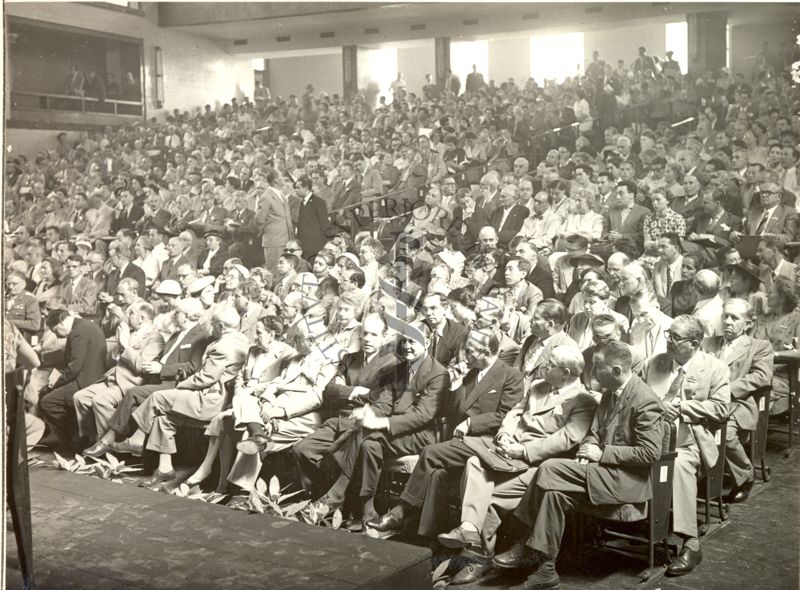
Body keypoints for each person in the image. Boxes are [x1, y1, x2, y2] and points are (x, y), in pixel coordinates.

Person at [490, 341, 663, 588]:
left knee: (549, 467)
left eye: (596, 367)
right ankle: (546, 571)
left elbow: (650, 453)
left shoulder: (645, 401)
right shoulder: (610, 392)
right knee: (553, 495)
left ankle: (522, 542)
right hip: (601, 472)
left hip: (626, 482)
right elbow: (594, 432)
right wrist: (587, 449)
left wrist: (601, 453)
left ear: (616, 370)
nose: (590, 372)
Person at [439, 344, 597, 584]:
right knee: (473, 461)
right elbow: (513, 413)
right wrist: (505, 435)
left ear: (565, 372)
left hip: (538, 464)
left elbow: (567, 438)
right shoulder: (537, 387)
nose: (543, 367)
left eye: (549, 364)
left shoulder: (584, 400)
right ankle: (469, 527)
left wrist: (523, 450)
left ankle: (479, 556)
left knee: (488, 498)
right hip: (507, 452)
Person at [364, 328, 524, 540]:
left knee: (430, 453)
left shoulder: (511, 375)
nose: (464, 355)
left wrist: (471, 423)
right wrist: (455, 385)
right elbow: (450, 411)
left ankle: (399, 513)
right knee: (437, 474)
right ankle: (425, 538)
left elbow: (506, 415)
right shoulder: (471, 373)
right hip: (459, 441)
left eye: (469, 351)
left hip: (486, 442)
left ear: (486, 351)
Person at [312, 321, 449, 524]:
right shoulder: (399, 369)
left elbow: (422, 415)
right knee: (368, 444)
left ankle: (337, 493)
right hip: (391, 431)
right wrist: (369, 414)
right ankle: (368, 510)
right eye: (403, 342)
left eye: (413, 341)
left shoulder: (439, 373)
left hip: (422, 433)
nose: (407, 346)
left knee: (363, 435)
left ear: (427, 342)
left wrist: (381, 423)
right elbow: (384, 403)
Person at [641, 315, 730, 576]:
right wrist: (658, 406)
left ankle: (691, 542)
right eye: (668, 334)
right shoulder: (654, 363)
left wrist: (682, 407)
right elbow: (636, 393)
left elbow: (722, 408)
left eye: (675, 338)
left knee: (677, 464)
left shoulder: (715, 368)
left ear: (694, 343)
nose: (668, 341)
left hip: (688, 440)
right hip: (648, 436)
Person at [127, 306, 250, 489]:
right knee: (163, 418)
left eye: (213, 325)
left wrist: (181, 385)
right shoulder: (240, 339)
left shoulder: (223, 347)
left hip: (210, 402)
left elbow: (205, 378)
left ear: (221, 326)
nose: (210, 328)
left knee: (158, 397)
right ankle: (164, 468)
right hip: (216, 397)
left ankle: (136, 439)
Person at [707, 299, 773, 504]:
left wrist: (725, 390)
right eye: (725, 316)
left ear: (748, 324)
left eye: (734, 318)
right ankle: (701, 475)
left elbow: (761, 376)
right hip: (705, 399)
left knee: (723, 432)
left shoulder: (759, 346)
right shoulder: (709, 343)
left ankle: (745, 475)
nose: (728, 321)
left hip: (738, 402)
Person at [76, 302, 165, 450]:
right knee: (80, 397)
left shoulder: (155, 338)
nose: (126, 317)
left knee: (100, 401)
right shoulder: (130, 333)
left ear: (141, 318)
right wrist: (120, 343)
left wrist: (125, 344)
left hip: (131, 382)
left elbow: (141, 366)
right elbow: (113, 360)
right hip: (113, 378)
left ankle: (111, 443)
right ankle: (94, 439)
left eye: (130, 313)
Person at [38, 309, 108, 453]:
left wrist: (55, 384)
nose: (56, 335)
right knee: (45, 393)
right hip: (90, 377)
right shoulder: (84, 325)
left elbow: (74, 368)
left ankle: (69, 441)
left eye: (55, 330)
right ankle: (66, 437)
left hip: (84, 382)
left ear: (62, 322)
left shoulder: (77, 333)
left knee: (47, 402)